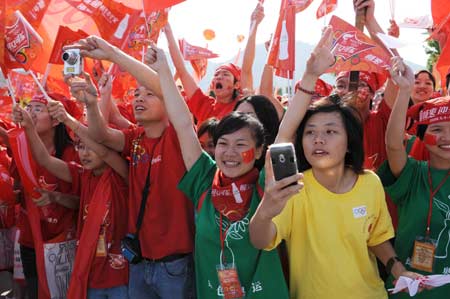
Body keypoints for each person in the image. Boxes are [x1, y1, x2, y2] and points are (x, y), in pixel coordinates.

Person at [248, 27, 420, 299]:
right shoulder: (293, 188)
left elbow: (376, 238)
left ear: (349, 140)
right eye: (310, 132)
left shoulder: (370, 182)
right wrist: (267, 209)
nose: (318, 140)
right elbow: (259, 238)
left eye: (330, 131)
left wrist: (397, 269)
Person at [145, 43, 289, 299]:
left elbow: (287, 129)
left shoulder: (267, 183)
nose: (230, 152)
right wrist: (164, 71)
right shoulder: (204, 179)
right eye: (223, 143)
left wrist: (309, 78)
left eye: (241, 144)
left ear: (259, 150)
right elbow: (182, 123)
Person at [65, 38, 195, 298]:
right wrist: (91, 103)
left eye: (148, 94)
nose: (139, 98)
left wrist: (114, 55)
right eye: (136, 93)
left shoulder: (177, 137)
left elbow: (165, 89)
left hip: (175, 265)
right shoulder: (135, 138)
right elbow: (100, 135)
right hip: (139, 262)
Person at [12, 98, 129, 299]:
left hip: (120, 276)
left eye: (90, 147)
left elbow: (104, 150)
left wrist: (70, 118)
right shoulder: (82, 174)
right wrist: (29, 127)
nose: (84, 153)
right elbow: (44, 159)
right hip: (90, 271)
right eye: (80, 146)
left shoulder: (121, 174)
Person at [379, 58, 450, 298]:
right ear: (420, 136)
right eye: (437, 130)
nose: (446, 138)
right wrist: (405, 90)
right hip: (408, 288)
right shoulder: (412, 174)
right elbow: (393, 146)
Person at [11, 93, 80, 299]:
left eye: (37, 109)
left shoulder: (73, 153)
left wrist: (55, 197)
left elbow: (82, 201)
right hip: (30, 241)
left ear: (57, 119)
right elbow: (17, 187)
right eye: (29, 108)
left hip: (63, 243)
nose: (30, 113)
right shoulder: (22, 147)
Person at [164, 22, 242, 125]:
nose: (219, 77)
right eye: (216, 75)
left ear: (236, 84)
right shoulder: (205, 105)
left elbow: (247, 71)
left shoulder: (242, 106)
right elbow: (182, 71)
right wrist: (168, 32)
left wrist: (254, 26)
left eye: (225, 74)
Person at [234, 95, 280, 169]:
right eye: (238, 117)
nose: (241, 122)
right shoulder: (228, 157)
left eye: (249, 117)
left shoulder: (277, 158)